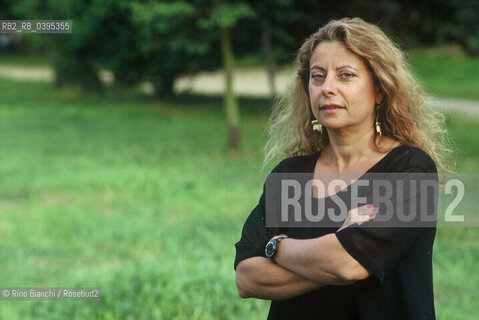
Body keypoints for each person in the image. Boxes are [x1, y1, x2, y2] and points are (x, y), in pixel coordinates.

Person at [234, 18, 452, 320]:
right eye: (317, 76)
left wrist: (276, 248)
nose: (327, 88)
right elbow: (247, 278)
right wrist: (342, 247)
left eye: (346, 75)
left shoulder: (410, 169)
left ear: (379, 88)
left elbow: (348, 265)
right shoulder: (288, 175)